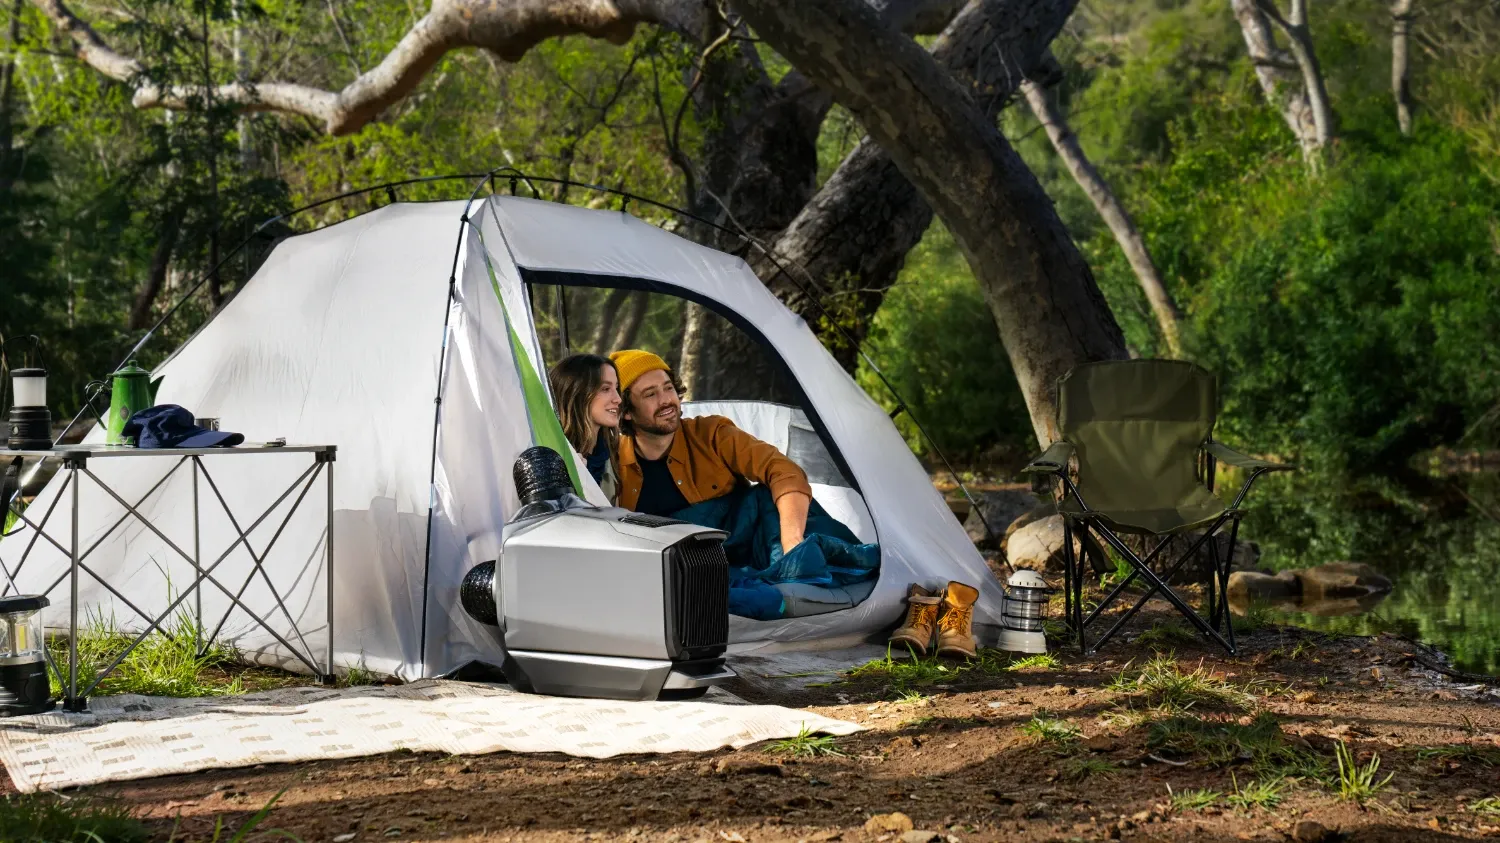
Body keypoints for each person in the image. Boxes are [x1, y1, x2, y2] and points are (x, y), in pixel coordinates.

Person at [608, 349, 879, 620]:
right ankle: (774, 593)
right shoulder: (613, 464)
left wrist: (793, 543)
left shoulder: (711, 433)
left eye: (668, 388)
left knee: (775, 506)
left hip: (749, 542)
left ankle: (793, 580)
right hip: (687, 561)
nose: (666, 400)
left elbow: (782, 471)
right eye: (650, 394)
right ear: (627, 412)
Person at [547, 353, 622, 503]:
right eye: (605, 389)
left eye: (616, 388)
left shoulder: (610, 453)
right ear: (576, 394)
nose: (618, 399)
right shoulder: (552, 460)